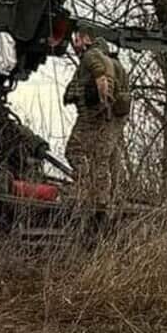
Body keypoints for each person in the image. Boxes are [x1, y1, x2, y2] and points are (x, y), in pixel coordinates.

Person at [62, 27, 121, 204]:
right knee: (101, 156)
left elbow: (100, 76)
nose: (74, 45)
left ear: (87, 39)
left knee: (74, 150)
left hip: (92, 114)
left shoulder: (91, 56)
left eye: (77, 40)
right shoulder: (107, 58)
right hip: (104, 115)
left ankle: (84, 188)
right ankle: (102, 197)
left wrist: (103, 102)